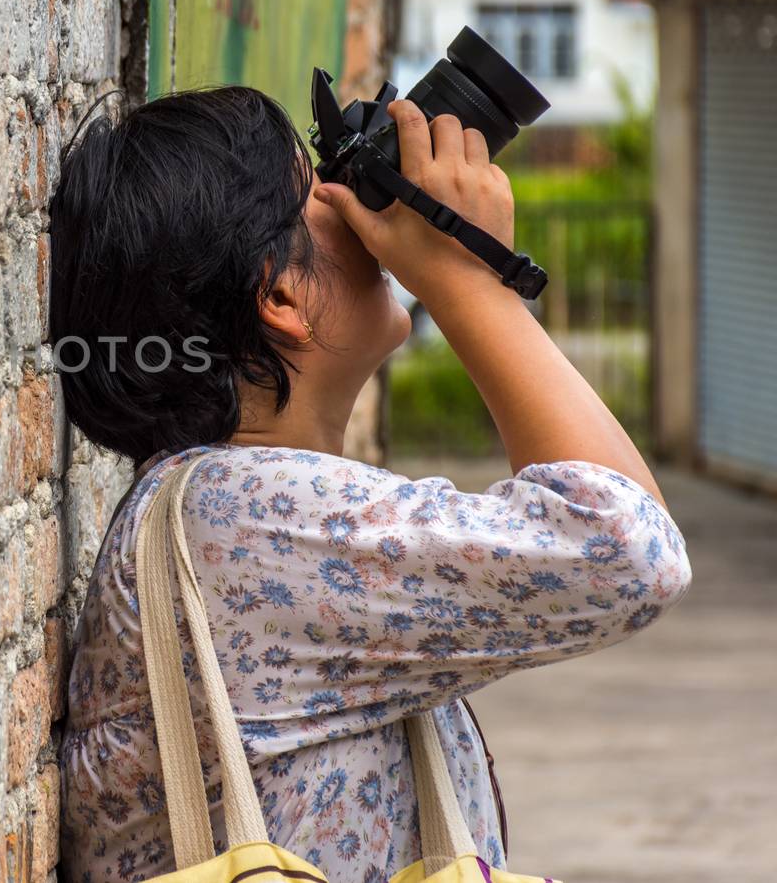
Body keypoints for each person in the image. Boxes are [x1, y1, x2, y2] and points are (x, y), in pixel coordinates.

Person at [49, 87, 691, 883]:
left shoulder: (232, 512)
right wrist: (469, 277)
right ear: (280, 294)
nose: (349, 204)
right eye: (315, 194)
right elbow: (627, 550)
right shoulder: (241, 522)